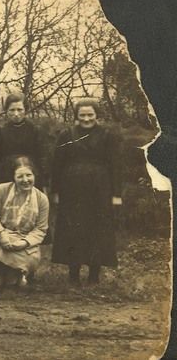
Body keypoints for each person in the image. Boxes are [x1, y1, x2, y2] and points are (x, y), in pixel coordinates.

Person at [51, 99, 122, 285]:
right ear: (76, 116)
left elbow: (115, 166)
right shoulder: (66, 135)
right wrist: (55, 191)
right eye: (82, 115)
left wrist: (116, 194)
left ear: (97, 115)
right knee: (72, 229)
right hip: (71, 190)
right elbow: (57, 164)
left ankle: (93, 275)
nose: (86, 118)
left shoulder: (107, 136)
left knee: (96, 230)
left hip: (99, 190)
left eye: (90, 115)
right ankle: (73, 274)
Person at [0, 157, 49, 292]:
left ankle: (13, 276)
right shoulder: (1, 190)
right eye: (20, 176)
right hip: (0, 235)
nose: (25, 180)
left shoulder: (42, 199)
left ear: (34, 175)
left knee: (29, 255)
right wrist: (1, 234)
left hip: (25, 239)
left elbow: (40, 229)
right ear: (13, 177)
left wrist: (25, 242)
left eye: (29, 175)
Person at [0, 92, 49, 191]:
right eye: (12, 110)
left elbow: (43, 158)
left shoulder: (35, 130)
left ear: (26, 110)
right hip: (5, 178)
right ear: (6, 111)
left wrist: (44, 185)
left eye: (19, 109)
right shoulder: (0, 131)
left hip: (30, 179)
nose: (16, 114)